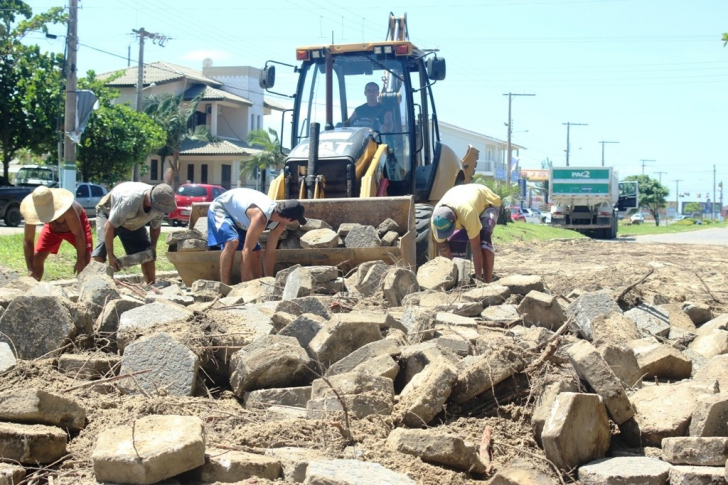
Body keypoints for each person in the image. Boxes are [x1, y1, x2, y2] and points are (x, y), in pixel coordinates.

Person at [207, 189, 307, 284]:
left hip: (240, 215)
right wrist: (244, 283)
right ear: (288, 219)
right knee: (233, 242)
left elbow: (270, 252)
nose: (295, 222)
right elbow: (246, 250)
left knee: (256, 252)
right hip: (222, 208)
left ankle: (258, 283)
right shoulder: (260, 217)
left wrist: (269, 280)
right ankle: (225, 286)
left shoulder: (279, 224)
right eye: (295, 220)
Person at [92, 182, 176, 284]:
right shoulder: (130, 202)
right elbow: (109, 226)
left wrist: (153, 246)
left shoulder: (161, 204)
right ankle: (92, 284)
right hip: (108, 211)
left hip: (132, 220)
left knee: (147, 254)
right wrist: (111, 257)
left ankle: (151, 286)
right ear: (151, 200)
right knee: (101, 249)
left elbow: (155, 227)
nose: (162, 211)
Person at [430, 184, 502, 283]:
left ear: (455, 217)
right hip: (462, 197)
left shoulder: (467, 213)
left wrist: (478, 280)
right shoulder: (436, 220)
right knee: (455, 243)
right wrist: (449, 278)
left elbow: (476, 248)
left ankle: (487, 282)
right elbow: (443, 248)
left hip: (487, 203)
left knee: (484, 241)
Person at [20, 186, 92, 281]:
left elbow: (79, 234)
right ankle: (34, 287)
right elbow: (28, 240)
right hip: (52, 229)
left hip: (76, 229)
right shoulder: (31, 212)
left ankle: (85, 289)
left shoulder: (68, 211)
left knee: (86, 259)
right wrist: (30, 268)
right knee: (37, 258)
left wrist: (80, 260)